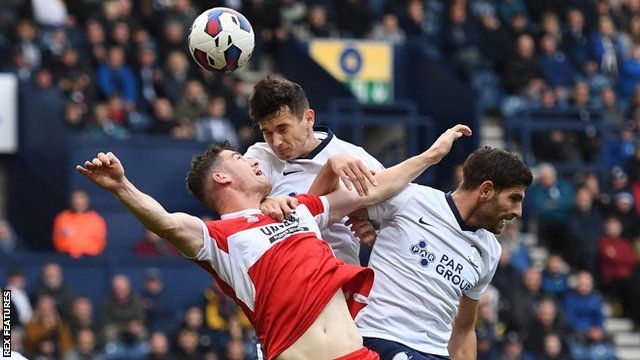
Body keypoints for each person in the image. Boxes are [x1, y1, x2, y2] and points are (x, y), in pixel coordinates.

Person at [75, 124, 471, 360]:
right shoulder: (218, 238)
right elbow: (164, 222)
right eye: (238, 158)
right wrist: (122, 187)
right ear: (221, 178)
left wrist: (431, 156)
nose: (252, 159)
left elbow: (371, 190)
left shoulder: (297, 210)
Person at [310, 146, 532, 359]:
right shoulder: (412, 199)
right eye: (514, 198)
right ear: (486, 190)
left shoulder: (490, 251)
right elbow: (326, 204)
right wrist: (332, 167)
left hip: (435, 352)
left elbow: (464, 329)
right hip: (382, 339)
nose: (518, 212)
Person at [244, 76, 384, 266]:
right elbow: (239, 201)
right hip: (284, 276)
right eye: (267, 132)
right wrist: (264, 202)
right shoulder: (260, 155)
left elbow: (400, 214)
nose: (276, 142)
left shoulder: (356, 158)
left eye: (283, 129)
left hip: (340, 281)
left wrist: (378, 239)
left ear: (308, 118)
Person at [52, 190, 107, 258]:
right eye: (76, 202)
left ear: (87, 202)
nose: (79, 204)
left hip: (90, 259)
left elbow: (101, 241)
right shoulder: (63, 218)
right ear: (72, 202)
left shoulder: (96, 219)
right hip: (66, 258)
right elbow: (57, 237)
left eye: (81, 202)